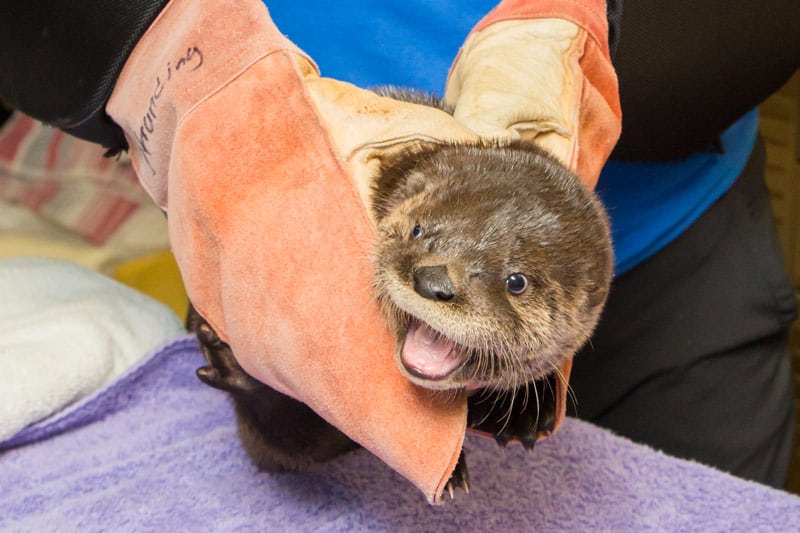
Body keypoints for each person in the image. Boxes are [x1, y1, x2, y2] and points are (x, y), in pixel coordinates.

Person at [1, 0, 796, 490]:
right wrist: (158, 51)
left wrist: (597, 24)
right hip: (274, 201)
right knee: (276, 443)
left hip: (672, 251)